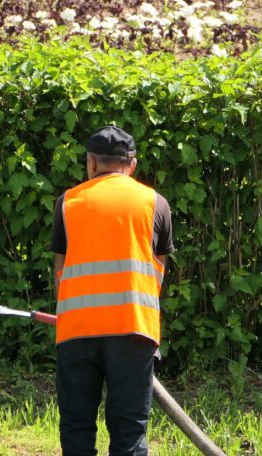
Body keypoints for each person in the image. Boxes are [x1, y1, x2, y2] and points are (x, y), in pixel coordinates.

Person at [50, 125, 174, 456]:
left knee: (76, 429)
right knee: (129, 432)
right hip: (134, 332)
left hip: (77, 332)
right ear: (131, 165)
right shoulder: (156, 204)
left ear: (91, 162)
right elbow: (157, 273)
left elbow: (60, 272)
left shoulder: (68, 203)